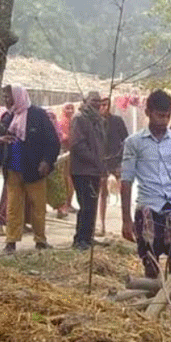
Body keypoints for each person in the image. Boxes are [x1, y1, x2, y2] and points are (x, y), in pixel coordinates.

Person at [121, 89, 171, 279]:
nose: (164, 121)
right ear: (148, 112)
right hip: (148, 208)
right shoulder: (134, 143)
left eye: (167, 116)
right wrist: (126, 219)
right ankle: (153, 304)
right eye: (159, 115)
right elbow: (126, 180)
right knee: (150, 264)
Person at [0, 85, 60, 254]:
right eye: (5, 96)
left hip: (34, 169)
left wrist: (47, 161)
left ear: (18, 96)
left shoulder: (38, 115)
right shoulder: (8, 117)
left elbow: (53, 141)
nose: (6, 100)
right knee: (13, 207)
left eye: (9, 96)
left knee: (38, 206)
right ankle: (11, 241)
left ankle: (40, 240)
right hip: (13, 168)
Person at [70, 91, 106, 251]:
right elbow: (78, 145)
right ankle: (80, 239)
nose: (97, 104)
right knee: (85, 205)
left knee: (92, 205)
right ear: (85, 101)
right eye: (94, 101)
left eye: (99, 101)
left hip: (94, 170)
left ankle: (88, 237)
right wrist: (94, 159)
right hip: (82, 170)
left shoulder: (97, 120)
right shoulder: (79, 118)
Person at [97, 97, 129, 237]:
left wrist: (122, 156)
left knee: (124, 191)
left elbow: (126, 139)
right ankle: (101, 225)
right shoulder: (95, 122)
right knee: (102, 193)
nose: (104, 108)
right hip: (101, 161)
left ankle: (127, 223)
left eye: (106, 105)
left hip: (117, 159)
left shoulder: (117, 121)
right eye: (102, 105)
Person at [56, 102, 76, 218]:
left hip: (72, 152)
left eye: (71, 108)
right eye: (67, 108)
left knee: (71, 179)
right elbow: (61, 136)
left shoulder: (74, 121)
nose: (69, 110)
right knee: (64, 179)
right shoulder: (60, 122)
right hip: (63, 152)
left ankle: (69, 203)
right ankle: (62, 205)